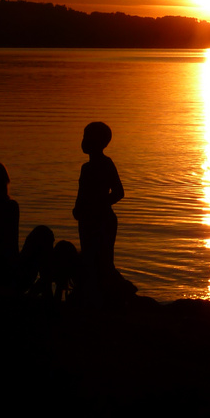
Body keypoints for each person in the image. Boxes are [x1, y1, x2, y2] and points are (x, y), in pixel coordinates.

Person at [73, 122, 133, 304]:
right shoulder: (86, 167)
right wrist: (78, 208)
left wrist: (97, 205)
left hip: (102, 220)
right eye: (83, 136)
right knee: (89, 258)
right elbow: (81, 193)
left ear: (100, 142)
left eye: (87, 137)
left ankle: (121, 294)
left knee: (103, 261)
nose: (83, 141)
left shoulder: (106, 163)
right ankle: (92, 295)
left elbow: (118, 192)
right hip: (86, 219)